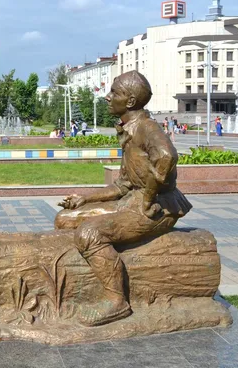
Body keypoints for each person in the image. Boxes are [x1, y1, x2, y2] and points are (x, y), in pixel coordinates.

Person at [55, 71, 192, 326]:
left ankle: (116, 301)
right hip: (132, 201)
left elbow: (166, 156)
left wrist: (150, 197)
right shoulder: (129, 129)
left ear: (129, 101)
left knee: (89, 234)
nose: (108, 97)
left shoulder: (146, 128)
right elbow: (123, 186)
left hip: (156, 209)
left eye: (114, 93)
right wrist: (85, 200)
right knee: (64, 219)